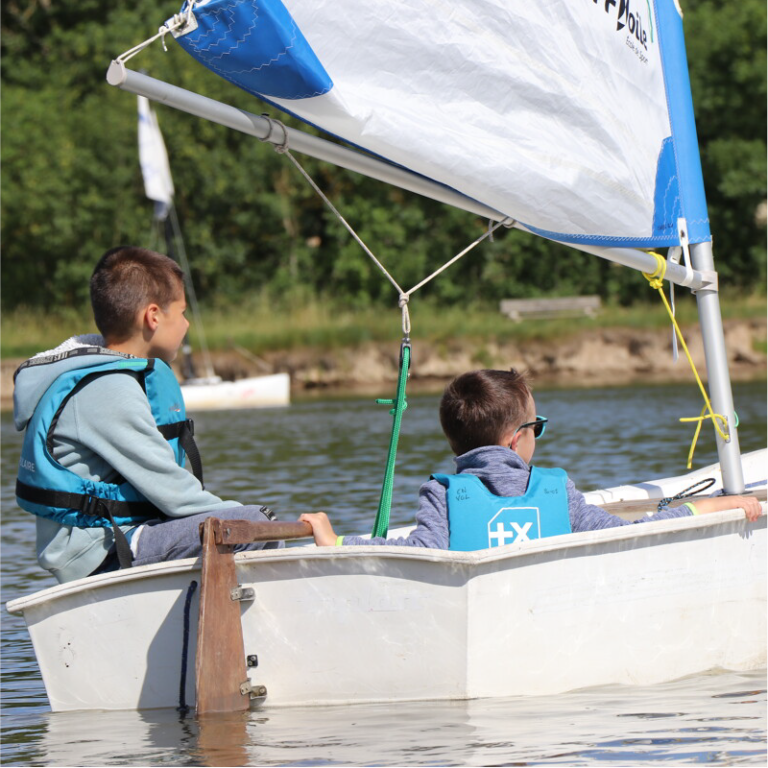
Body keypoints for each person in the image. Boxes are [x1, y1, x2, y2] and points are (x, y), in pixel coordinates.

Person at [14, 246, 282, 584]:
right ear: (153, 316)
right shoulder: (106, 388)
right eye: (182, 313)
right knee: (253, 526)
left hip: (125, 535)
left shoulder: (112, 377)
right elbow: (173, 492)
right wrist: (266, 522)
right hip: (100, 551)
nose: (186, 324)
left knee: (249, 524)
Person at [299, 368, 762, 549]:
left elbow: (415, 553)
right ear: (517, 438)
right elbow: (633, 532)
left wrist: (336, 541)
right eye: (536, 426)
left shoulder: (441, 493)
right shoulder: (557, 491)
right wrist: (710, 505)